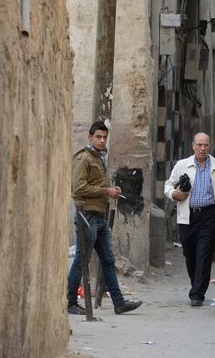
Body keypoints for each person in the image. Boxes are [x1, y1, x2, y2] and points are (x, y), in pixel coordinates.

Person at [67, 121, 143, 315]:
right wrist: (105, 191)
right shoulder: (83, 158)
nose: (102, 141)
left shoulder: (99, 157)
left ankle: (118, 302)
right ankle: (70, 302)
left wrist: (110, 191)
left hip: (99, 217)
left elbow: (96, 186)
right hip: (87, 216)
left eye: (104, 137)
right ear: (90, 137)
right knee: (81, 260)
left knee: (108, 260)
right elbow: (77, 188)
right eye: (98, 137)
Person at [164, 132, 215, 306]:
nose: (202, 149)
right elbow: (168, 185)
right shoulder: (182, 165)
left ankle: (197, 294)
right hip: (187, 215)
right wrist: (174, 194)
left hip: (210, 215)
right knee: (190, 253)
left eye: (206, 145)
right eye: (199, 145)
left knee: (204, 253)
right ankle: (197, 283)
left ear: (209, 146)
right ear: (193, 146)